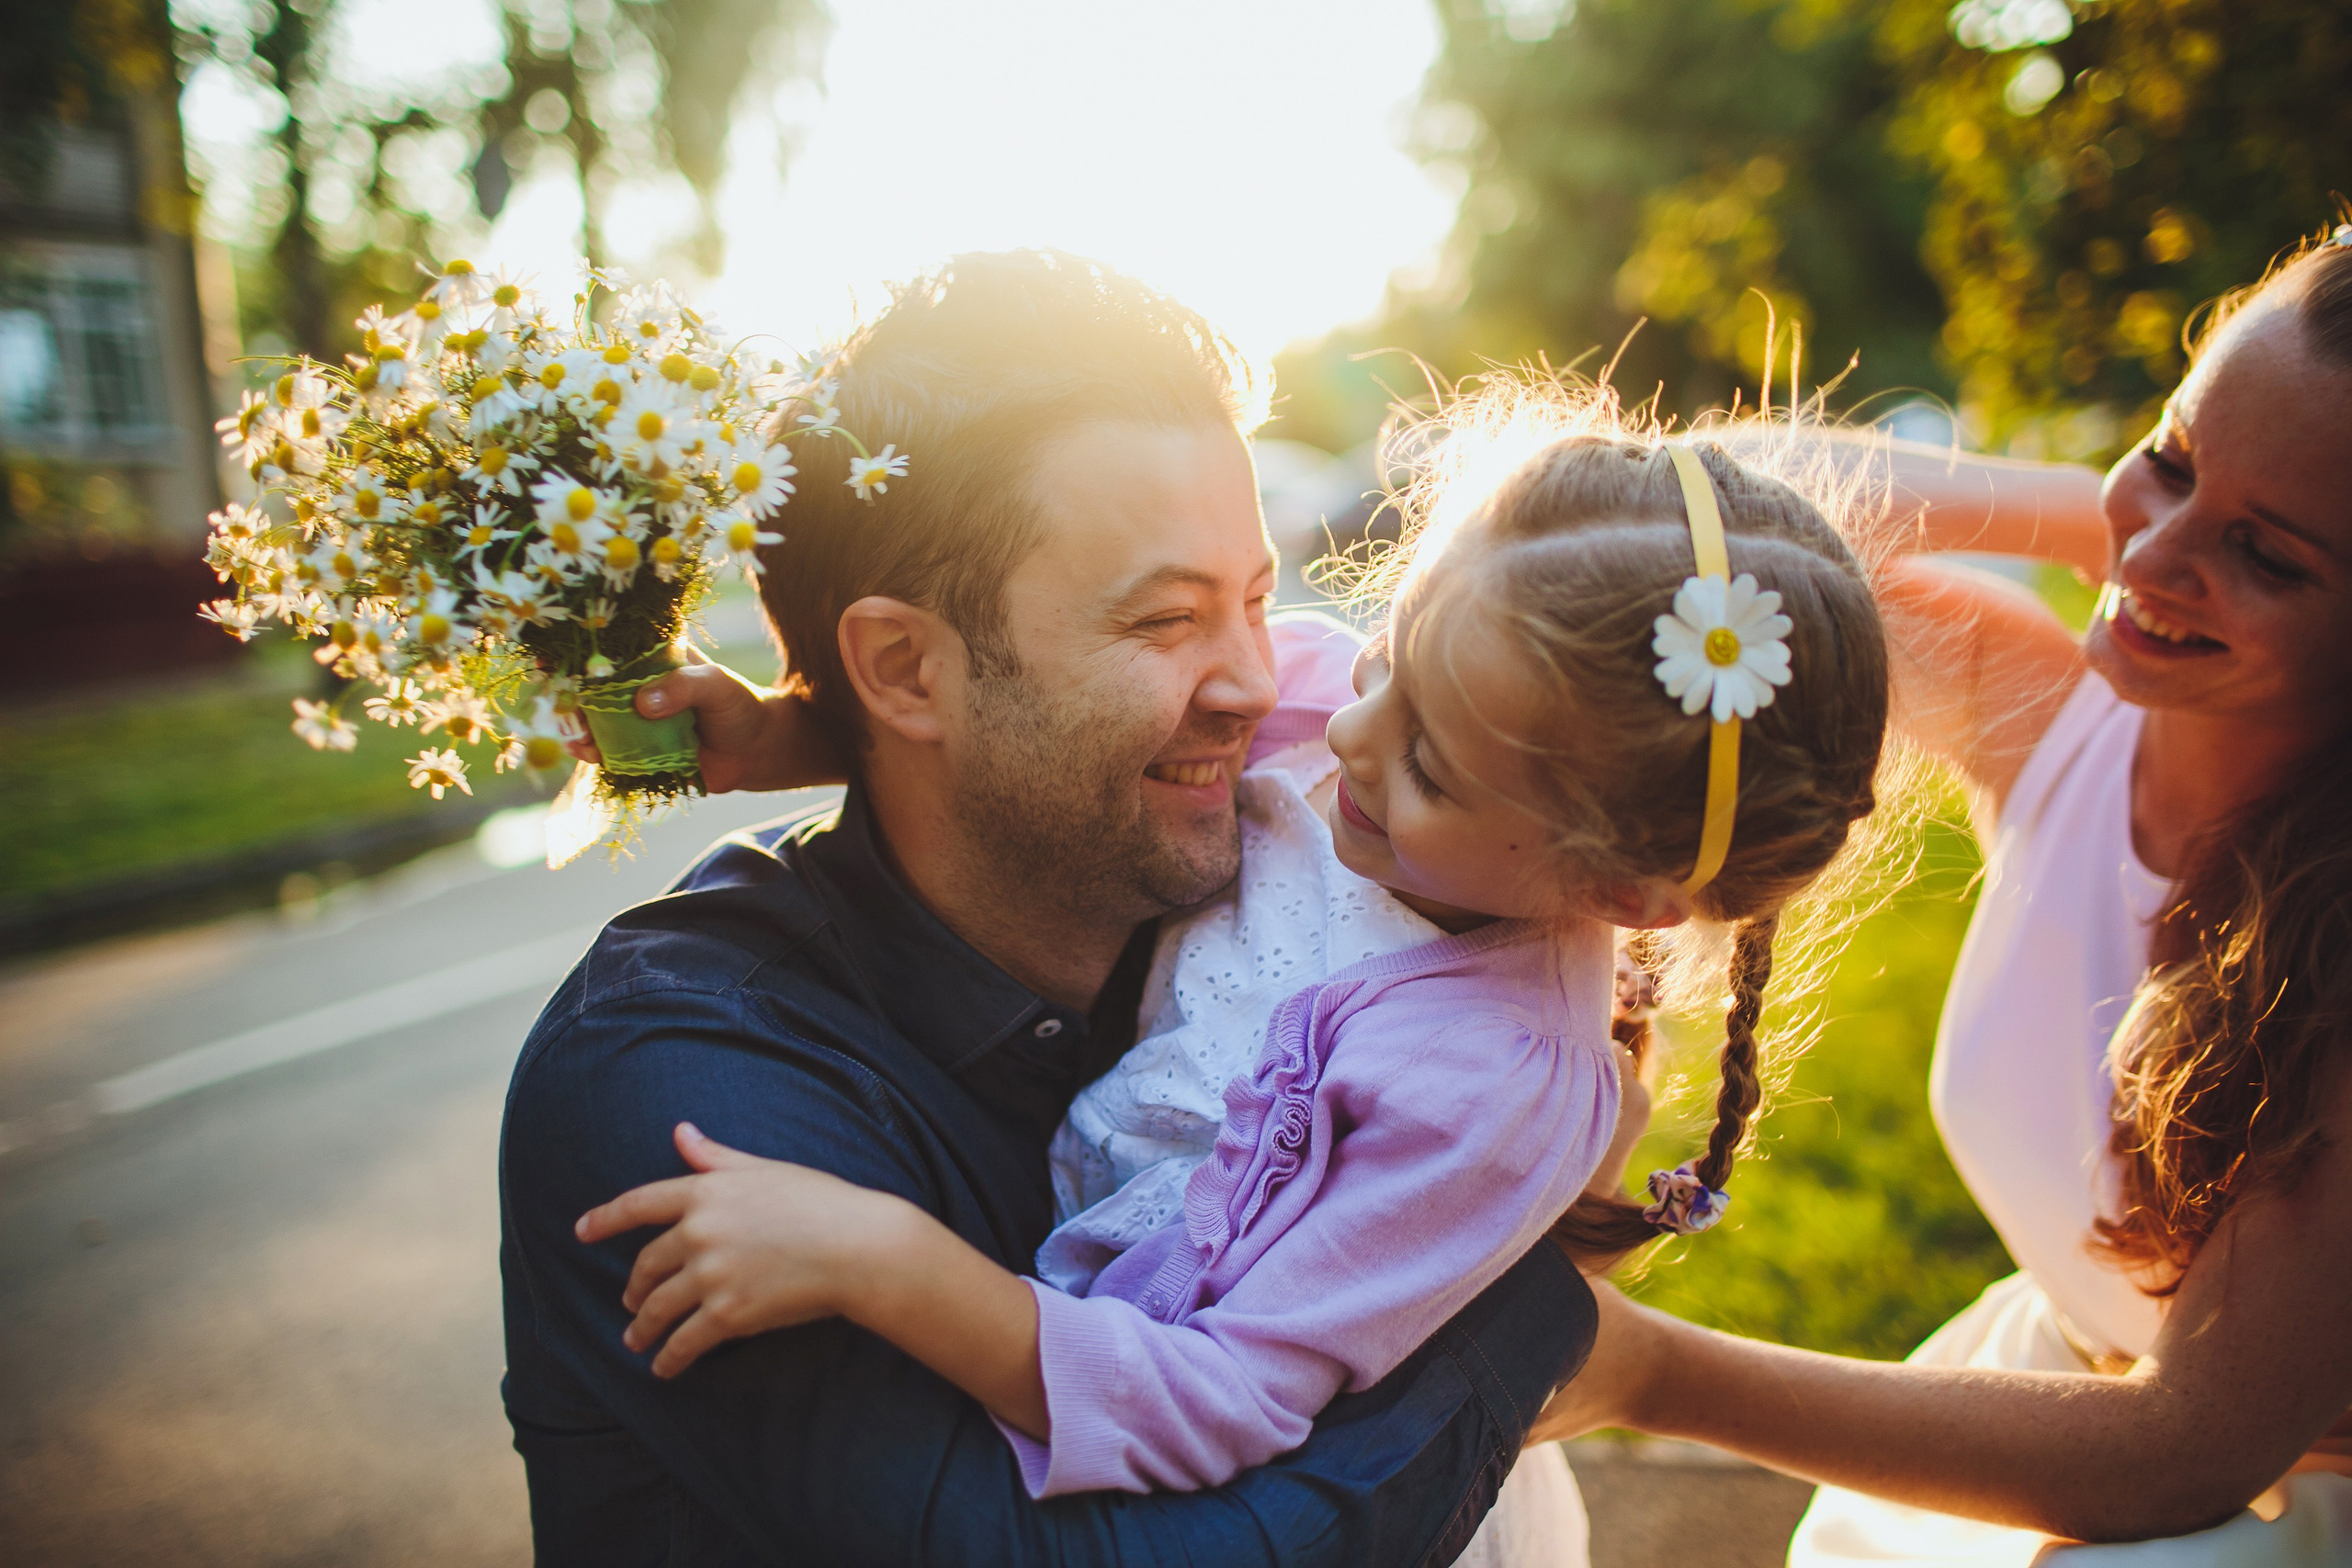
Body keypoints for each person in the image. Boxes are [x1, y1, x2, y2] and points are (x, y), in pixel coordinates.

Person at [572, 396, 1891, 1529]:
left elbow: (1229, 1397)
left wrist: (893, 1265)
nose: (1336, 722)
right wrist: (786, 737)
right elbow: (1031, 711)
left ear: (1618, 892)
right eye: (1391, 657)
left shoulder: (1494, 1088)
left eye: (1427, 760)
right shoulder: (1337, 718)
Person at [497, 251, 1603, 1566]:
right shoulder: (677, 1088)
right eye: (1165, 621)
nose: (1257, 680)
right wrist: (1521, 1272)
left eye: (1255, 596)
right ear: (904, 668)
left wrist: (805, 730)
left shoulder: (1264, 860)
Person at [1530, 229, 2352, 1562]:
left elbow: (2193, 1446)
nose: (2149, 562)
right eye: (2171, 457)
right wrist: (2121, 503)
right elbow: (1722, 503)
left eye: (2268, 555)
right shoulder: (2060, 720)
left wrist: (1645, 1372)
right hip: (2061, 1399)